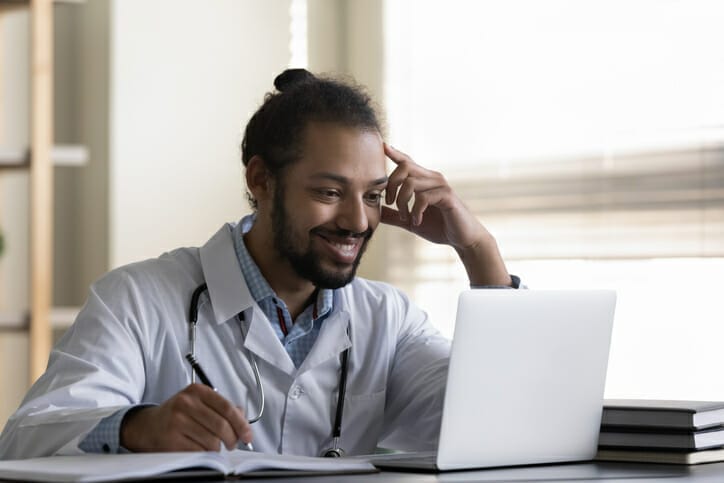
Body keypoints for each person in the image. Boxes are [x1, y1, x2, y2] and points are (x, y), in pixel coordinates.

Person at [0, 69, 520, 459]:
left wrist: (477, 249)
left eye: (374, 195)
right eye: (329, 192)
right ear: (261, 180)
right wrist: (138, 428)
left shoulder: (389, 318)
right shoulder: (135, 300)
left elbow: (503, 415)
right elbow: (25, 439)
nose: (358, 221)